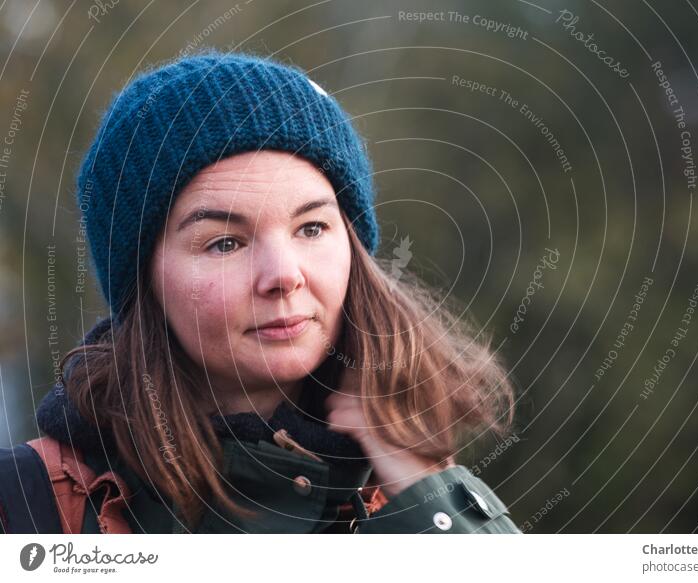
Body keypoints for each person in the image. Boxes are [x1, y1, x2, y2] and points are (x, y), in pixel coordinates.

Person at [0, 50, 520, 534]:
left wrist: (423, 486)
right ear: (144, 280)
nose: (283, 274)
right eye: (225, 242)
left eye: (312, 228)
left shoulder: (405, 493)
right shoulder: (29, 508)